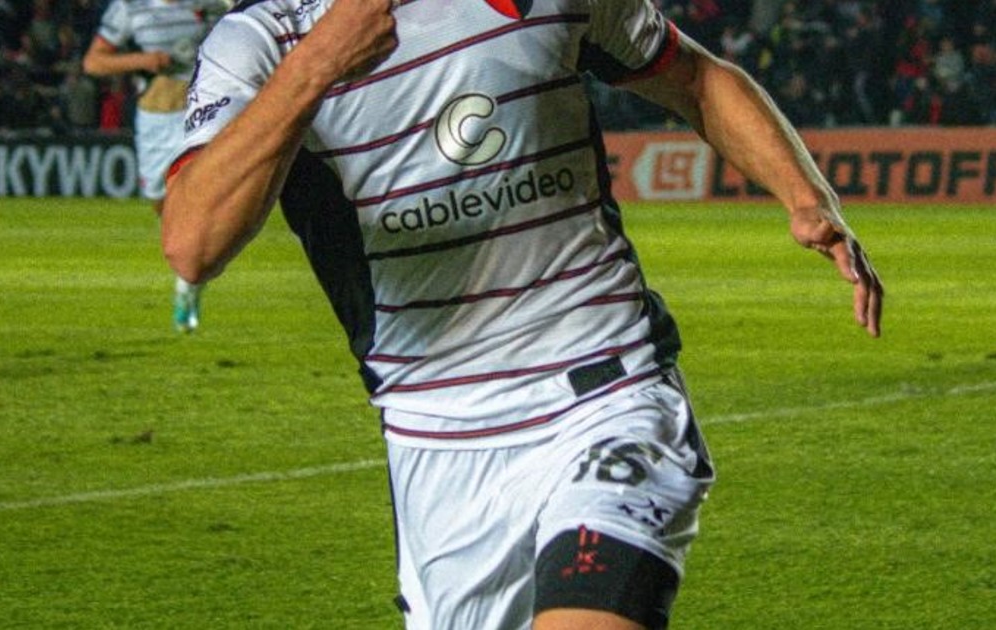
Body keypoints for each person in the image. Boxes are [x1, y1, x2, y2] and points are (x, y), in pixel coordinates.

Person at [162, 1, 884, 628]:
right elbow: (193, 245)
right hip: (435, 436)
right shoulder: (259, 40)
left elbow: (694, 77)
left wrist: (806, 196)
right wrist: (316, 66)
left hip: (606, 389)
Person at [82, 0, 228, 333]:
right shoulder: (130, 7)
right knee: (163, 204)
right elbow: (93, 62)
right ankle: (190, 271)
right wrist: (144, 60)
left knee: (202, 199)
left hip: (201, 112)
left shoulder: (209, 4)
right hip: (155, 116)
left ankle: (189, 282)